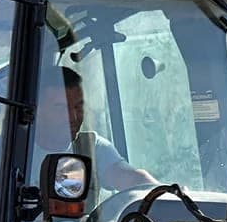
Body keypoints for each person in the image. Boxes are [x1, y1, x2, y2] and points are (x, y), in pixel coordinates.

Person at [37, 65, 157, 193]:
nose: (73, 117)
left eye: (78, 107)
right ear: (38, 109)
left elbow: (131, 178)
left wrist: (165, 195)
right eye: (61, 108)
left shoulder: (92, 148)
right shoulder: (18, 153)